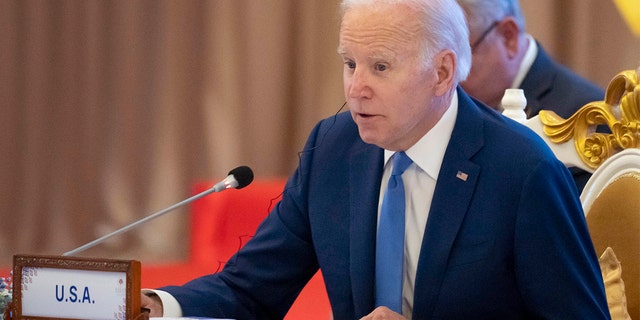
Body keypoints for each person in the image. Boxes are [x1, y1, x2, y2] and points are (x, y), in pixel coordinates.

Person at [142, 0, 610, 318]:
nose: (355, 88)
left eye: (380, 67)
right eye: (350, 63)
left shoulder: (523, 172)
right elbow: (250, 289)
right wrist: (155, 305)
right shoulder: (333, 148)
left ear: (442, 72)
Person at [456, 0, 606, 192]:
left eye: (461, 55)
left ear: (508, 37)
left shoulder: (587, 117)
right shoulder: (460, 107)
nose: (451, 75)